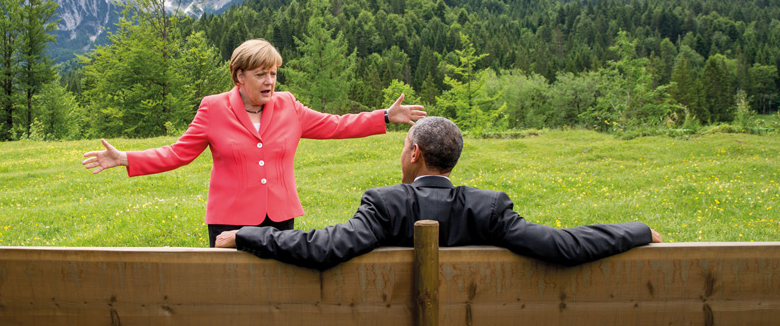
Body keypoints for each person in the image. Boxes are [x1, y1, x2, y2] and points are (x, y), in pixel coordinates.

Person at [82, 38, 426, 247]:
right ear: (239, 76)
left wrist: (383, 116)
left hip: (279, 217)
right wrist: (127, 158)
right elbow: (178, 153)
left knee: (276, 291)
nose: (270, 81)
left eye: (273, 73)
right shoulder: (213, 108)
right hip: (229, 219)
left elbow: (334, 125)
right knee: (230, 294)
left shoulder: (289, 105)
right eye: (261, 74)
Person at [215, 116, 662, 271]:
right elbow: (563, 246)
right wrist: (638, 230)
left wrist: (248, 235)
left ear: (413, 153)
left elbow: (324, 248)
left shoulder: (384, 204)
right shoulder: (488, 207)